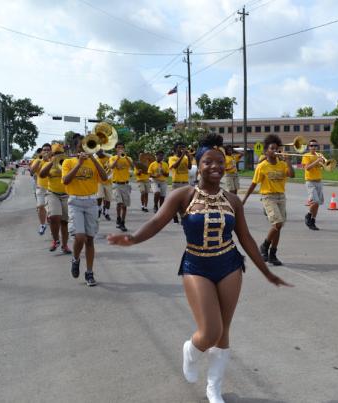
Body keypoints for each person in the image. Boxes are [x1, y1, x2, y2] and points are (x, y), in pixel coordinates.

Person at [107, 133, 290, 403]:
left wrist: (266, 271)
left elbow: (246, 238)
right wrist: (132, 238)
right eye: (208, 162)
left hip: (229, 264)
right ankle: (191, 351)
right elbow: (157, 222)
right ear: (198, 165)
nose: (216, 166)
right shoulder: (183, 195)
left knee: (224, 330)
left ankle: (213, 388)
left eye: (221, 162)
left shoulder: (232, 200)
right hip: (196, 264)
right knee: (209, 331)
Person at [241, 134, 295, 266]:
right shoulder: (262, 166)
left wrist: (288, 161)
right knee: (277, 223)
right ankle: (264, 246)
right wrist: (244, 200)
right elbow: (254, 184)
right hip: (268, 197)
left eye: (277, 148)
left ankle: (273, 254)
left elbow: (292, 175)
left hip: (281, 196)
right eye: (272, 148)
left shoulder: (282, 164)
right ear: (266, 151)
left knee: (279, 226)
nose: (275, 151)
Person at [62, 134, 108, 287]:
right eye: (82, 145)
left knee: (89, 239)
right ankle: (75, 259)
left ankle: (89, 272)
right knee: (79, 237)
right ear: (77, 147)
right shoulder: (68, 161)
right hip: (75, 202)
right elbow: (66, 180)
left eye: (88, 145)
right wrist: (79, 163)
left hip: (91, 202)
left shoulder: (93, 162)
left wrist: (93, 158)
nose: (85, 148)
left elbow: (104, 177)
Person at [39, 143, 72, 254]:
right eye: (56, 153)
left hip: (66, 194)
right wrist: (52, 161)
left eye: (60, 153)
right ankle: (56, 240)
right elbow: (42, 175)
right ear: (52, 154)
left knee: (64, 222)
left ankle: (65, 245)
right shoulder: (48, 163)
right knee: (54, 217)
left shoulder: (67, 162)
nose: (58, 155)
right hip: (52, 193)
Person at [108, 142, 134, 232]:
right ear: (116, 149)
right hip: (116, 184)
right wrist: (118, 157)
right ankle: (118, 217)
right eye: (118, 148)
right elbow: (111, 166)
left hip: (126, 184)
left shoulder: (128, 158)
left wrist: (125, 157)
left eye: (122, 148)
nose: (120, 149)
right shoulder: (113, 158)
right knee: (119, 203)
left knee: (125, 205)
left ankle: (122, 222)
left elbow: (132, 166)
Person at [301, 139, 325, 231]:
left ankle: (313, 220)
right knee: (314, 201)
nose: (313, 147)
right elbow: (307, 168)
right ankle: (308, 215)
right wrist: (317, 161)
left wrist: (323, 163)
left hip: (319, 181)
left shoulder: (319, 155)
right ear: (309, 147)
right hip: (310, 181)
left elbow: (324, 166)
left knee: (317, 203)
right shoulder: (307, 156)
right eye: (311, 146)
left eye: (315, 145)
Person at [30, 144, 52, 235]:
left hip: (51, 188)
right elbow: (32, 172)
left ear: (51, 151)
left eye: (48, 150)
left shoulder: (55, 160)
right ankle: (42, 225)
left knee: (51, 210)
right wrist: (42, 161)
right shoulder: (38, 160)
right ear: (42, 151)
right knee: (40, 206)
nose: (46, 151)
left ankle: (53, 229)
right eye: (44, 150)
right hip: (41, 187)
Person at [169, 142, 192, 223]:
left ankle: (183, 217)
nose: (182, 149)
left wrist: (188, 157)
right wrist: (182, 155)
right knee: (176, 202)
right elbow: (175, 166)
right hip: (176, 182)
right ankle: (174, 215)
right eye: (180, 147)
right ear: (175, 149)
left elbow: (189, 167)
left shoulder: (185, 158)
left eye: (183, 147)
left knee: (185, 202)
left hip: (185, 182)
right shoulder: (172, 158)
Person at [95, 148, 112, 221]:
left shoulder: (109, 157)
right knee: (99, 197)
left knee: (108, 199)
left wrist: (105, 154)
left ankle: (106, 213)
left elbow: (113, 158)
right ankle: (99, 209)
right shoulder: (95, 159)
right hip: (99, 181)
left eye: (99, 151)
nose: (98, 152)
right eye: (96, 151)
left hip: (108, 181)